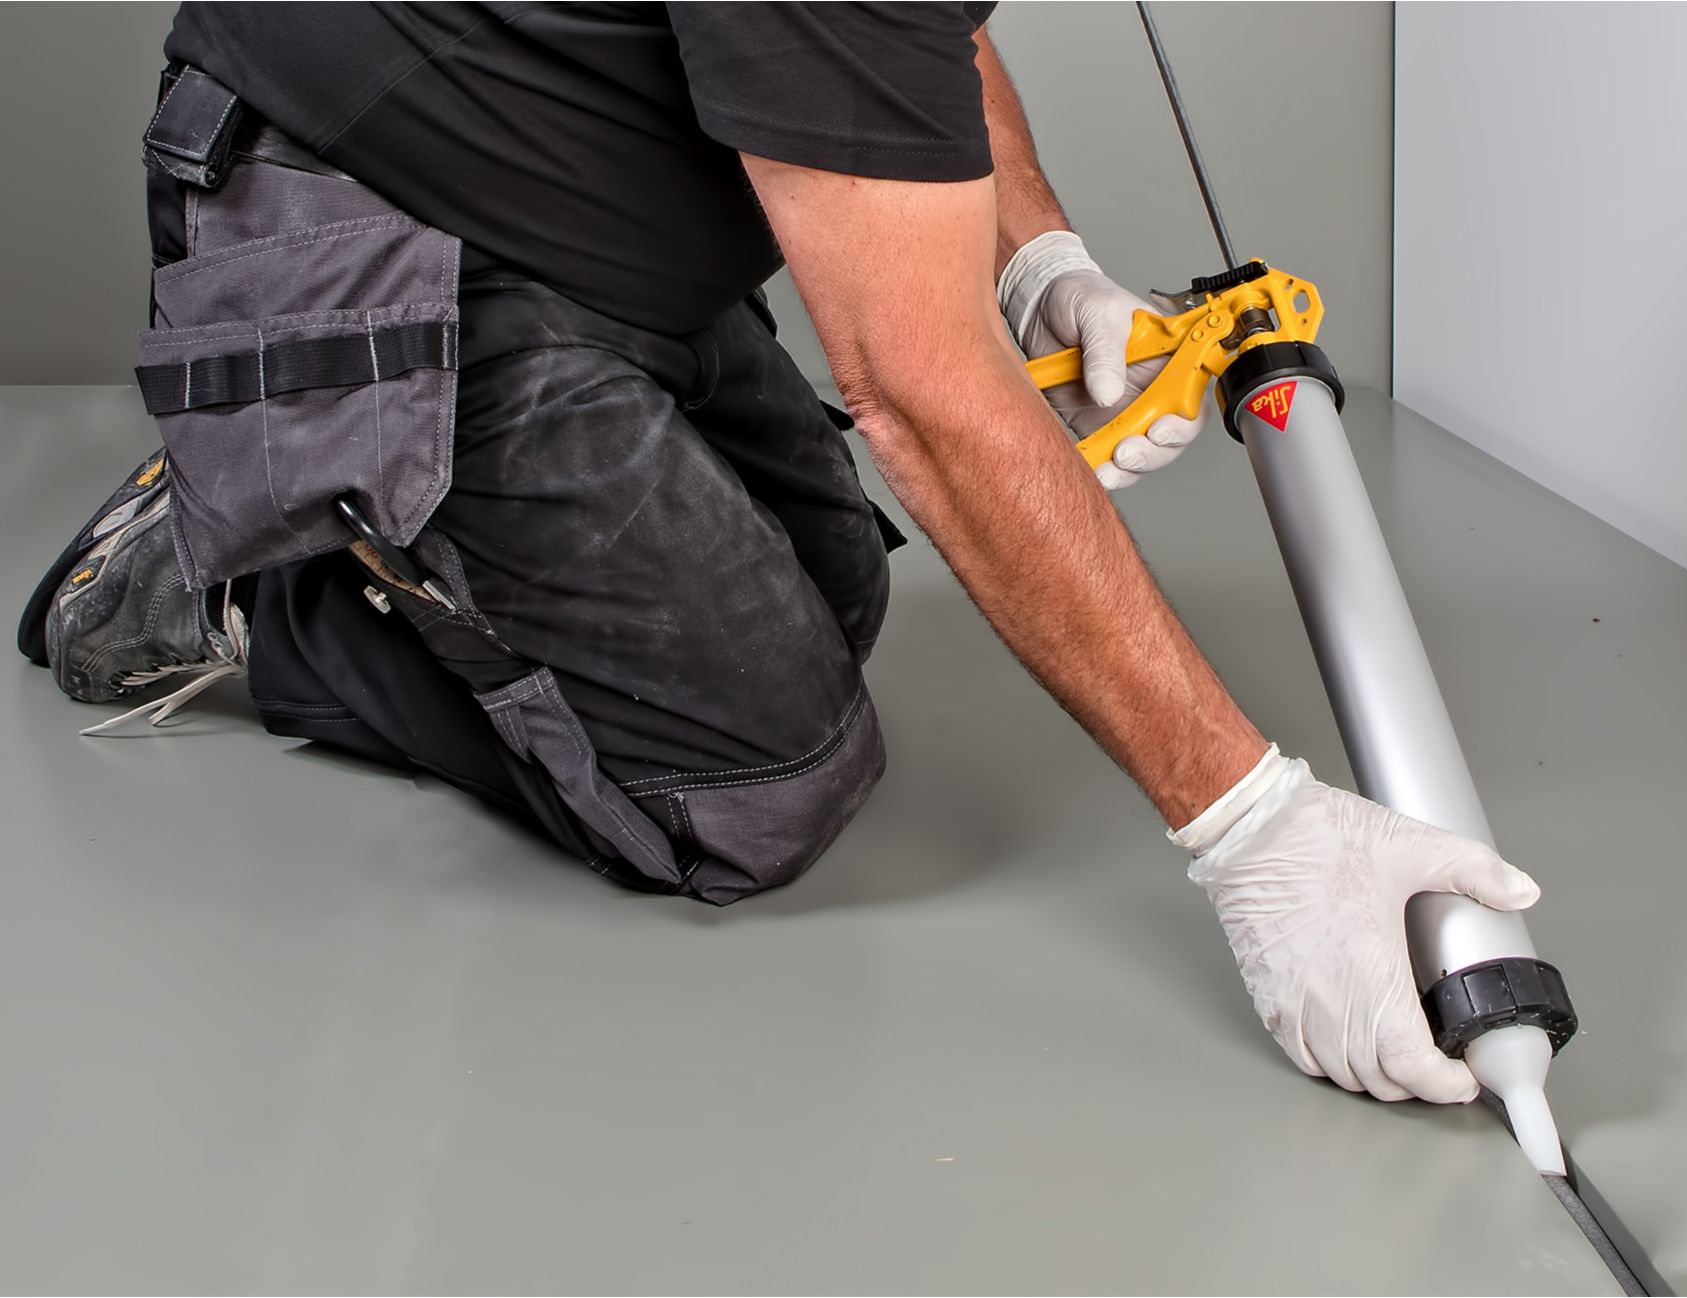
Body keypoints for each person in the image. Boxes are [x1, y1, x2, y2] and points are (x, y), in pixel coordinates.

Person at [17, 3, 1540, 1106]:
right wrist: (1255, 827)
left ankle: (369, 492)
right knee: (753, 781)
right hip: (370, 219)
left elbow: (924, 34)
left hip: (570, 214)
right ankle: (266, 563)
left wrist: (1039, 260)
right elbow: (919, 401)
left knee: (837, 590)